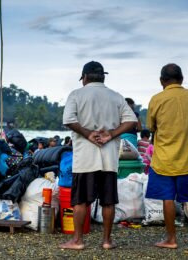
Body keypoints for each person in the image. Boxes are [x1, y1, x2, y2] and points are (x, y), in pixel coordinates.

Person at [61, 61, 137, 250]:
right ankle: (106, 241)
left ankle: (78, 241)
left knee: (80, 201)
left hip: (85, 159)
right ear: (103, 76)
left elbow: (68, 120)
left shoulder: (77, 94)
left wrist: (87, 133)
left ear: (84, 78)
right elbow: (131, 120)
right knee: (108, 201)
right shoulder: (116, 97)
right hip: (109, 158)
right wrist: (110, 134)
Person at [146, 63, 188, 248]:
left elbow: (151, 127)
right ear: (182, 79)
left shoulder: (157, 99)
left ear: (162, 80)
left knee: (168, 198)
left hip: (164, 159)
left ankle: (171, 239)